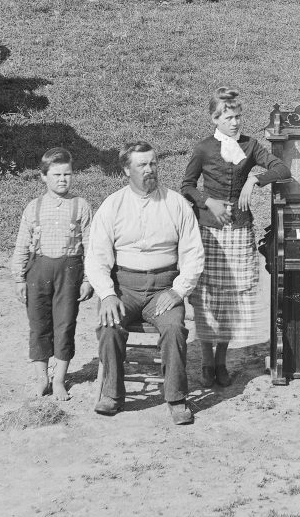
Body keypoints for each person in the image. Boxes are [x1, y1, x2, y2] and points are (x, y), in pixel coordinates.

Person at [86, 141, 205, 426]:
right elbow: (96, 257)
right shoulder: (112, 205)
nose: (150, 169)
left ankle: (176, 399)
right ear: (127, 170)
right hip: (123, 288)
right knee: (108, 326)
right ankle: (112, 394)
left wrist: (178, 290)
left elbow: (193, 254)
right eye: (142, 165)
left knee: (175, 328)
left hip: (164, 289)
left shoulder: (176, 204)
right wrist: (106, 294)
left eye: (153, 163)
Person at [181, 87, 289, 387]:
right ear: (214, 119)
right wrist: (208, 202)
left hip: (239, 231)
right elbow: (187, 185)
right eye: (228, 117)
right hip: (209, 232)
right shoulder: (204, 149)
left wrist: (254, 179)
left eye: (238, 117)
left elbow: (281, 168)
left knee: (230, 298)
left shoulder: (250, 146)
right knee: (205, 297)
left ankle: (220, 360)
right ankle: (205, 358)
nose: (235, 123)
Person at [12, 148, 93, 400]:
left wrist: (89, 279)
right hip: (38, 272)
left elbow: (91, 246)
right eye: (56, 174)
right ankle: (41, 378)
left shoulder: (81, 206)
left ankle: (59, 379)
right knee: (39, 324)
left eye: (67, 174)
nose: (62, 179)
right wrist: (19, 279)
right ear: (43, 176)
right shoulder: (33, 207)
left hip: (70, 273)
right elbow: (22, 245)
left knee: (65, 324)